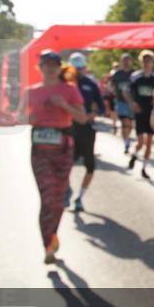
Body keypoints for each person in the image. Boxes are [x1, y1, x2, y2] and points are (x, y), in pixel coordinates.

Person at [16, 51, 87, 264]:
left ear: (59, 67)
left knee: (57, 201)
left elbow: (82, 118)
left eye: (54, 65)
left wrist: (63, 105)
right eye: (46, 64)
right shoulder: (31, 92)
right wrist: (30, 117)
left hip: (63, 149)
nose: (50, 68)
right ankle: (48, 246)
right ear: (40, 67)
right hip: (40, 151)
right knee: (47, 199)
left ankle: (52, 234)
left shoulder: (69, 90)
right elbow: (19, 117)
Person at [68, 52, 105, 213]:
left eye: (80, 68)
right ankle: (66, 191)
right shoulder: (64, 85)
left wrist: (92, 114)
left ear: (85, 68)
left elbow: (102, 106)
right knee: (65, 164)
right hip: (67, 129)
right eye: (75, 68)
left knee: (90, 166)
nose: (78, 71)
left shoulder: (91, 84)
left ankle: (79, 197)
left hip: (86, 130)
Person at [125, 50, 154, 179]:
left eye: (149, 60)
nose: (147, 63)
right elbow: (126, 92)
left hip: (152, 113)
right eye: (144, 60)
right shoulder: (135, 77)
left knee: (149, 142)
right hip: (140, 112)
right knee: (140, 142)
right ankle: (134, 155)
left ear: (152, 62)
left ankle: (144, 168)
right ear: (141, 62)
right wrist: (132, 103)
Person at [109, 54, 135, 153]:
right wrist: (115, 92)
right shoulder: (117, 74)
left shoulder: (134, 74)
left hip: (132, 102)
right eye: (124, 60)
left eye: (128, 60)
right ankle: (126, 142)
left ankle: (127, 137)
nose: (126, 62)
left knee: (130, 123)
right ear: (121, 62)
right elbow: (111, 85)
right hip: (120, 101)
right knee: (124, 121)